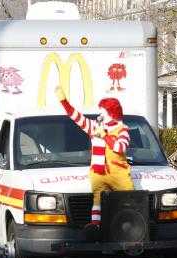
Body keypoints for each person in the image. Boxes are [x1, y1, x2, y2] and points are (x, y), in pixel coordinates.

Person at [55, 86, 134, 241]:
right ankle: (95, 228)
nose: (100, 115)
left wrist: (104, 135)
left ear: (111, 114)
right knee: (97, 200)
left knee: (129, 199)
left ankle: (130, 227)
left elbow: (119, 147)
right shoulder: (95, 127)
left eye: (102, 112)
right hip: (99, 172)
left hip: (119, 173)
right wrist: (64, 101)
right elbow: (76, 117)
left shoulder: (122, 130)